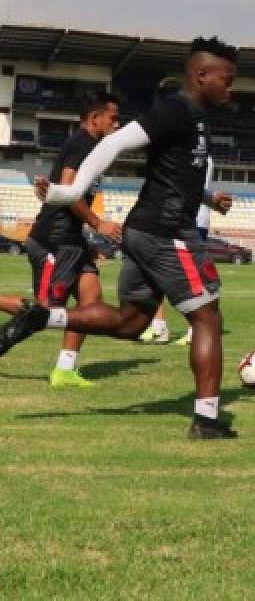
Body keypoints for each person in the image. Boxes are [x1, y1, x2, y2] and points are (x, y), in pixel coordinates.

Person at [0, 37, 238, 439]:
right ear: (201, 75)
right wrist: (68, 194)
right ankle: (207, 420)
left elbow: (177, 175)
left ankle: (44, 316)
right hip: (168, 234)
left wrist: (210, 199)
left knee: (131, 322)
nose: (231, 90)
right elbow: (114, 142)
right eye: (226, 80)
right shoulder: (174, 110)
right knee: (207, 317)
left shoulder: (195, 117)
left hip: (146, 231)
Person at [0, 93, 122, 388]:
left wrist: (84, 237)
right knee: (43, 311)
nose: (117, 124)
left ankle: (64, 370)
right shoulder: (81, 144)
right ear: (95, 119)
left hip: (71, 240)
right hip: (53, 242)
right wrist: (97, 223)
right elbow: (68, 191)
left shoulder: (92, 148)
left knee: (91, 302)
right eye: (113, 118)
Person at [141, 155, 218, 345]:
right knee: (154, 273)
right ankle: (159, 325)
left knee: (193, 277)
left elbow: (188, 184)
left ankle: (197, 327)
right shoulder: (190, 148)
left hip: (187, 220)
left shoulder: (194, 152)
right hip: (175, 218)